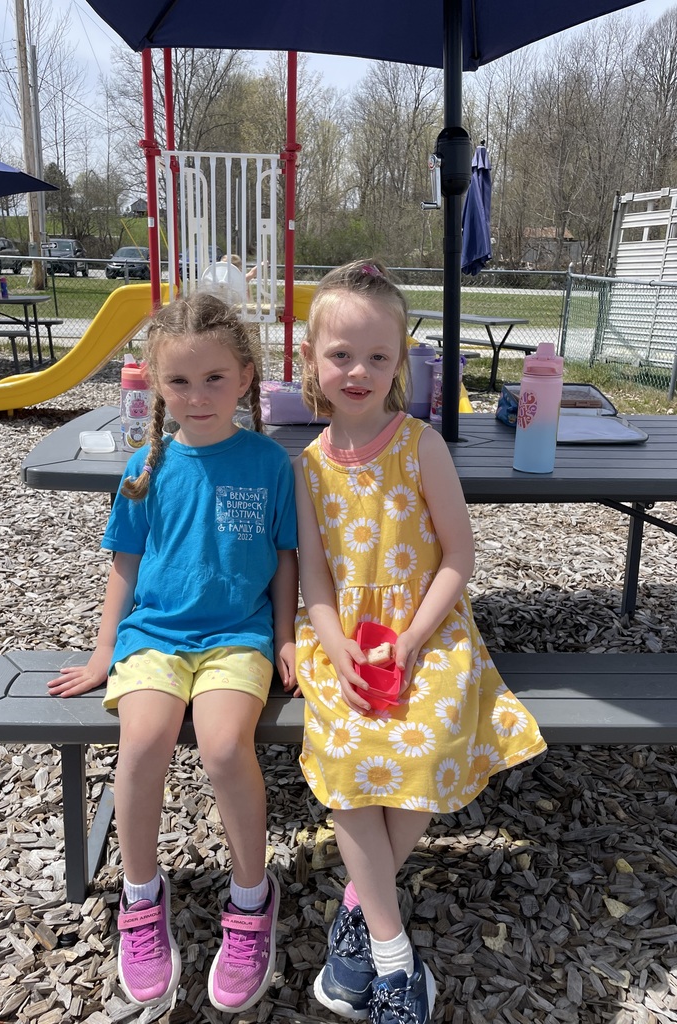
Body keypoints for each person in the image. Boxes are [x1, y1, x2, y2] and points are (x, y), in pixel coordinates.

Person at [294, 259, 546, 1024]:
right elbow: (315, 582)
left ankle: (355, 915)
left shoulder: (420, 446)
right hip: (340, 637)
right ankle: (396, 958)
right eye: (341, 355)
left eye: (377, 356)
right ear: (311, 362)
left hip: (427, 629)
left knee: (431, 742)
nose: (359, 371)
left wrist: (407, 641)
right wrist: (337, 648)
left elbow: (459, 559)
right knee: (346, 759)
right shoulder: (304, 468)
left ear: (401, 361)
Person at [47, 293, 299, 1013]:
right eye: (180, 382)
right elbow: (124, 564)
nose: (198, 396)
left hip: (236, 639)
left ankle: (252, 901)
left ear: (247, 377)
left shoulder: (269, 463)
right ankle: (140, 896)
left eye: (215, 379)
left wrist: (285, 636)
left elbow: (285, 560)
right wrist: (103, 652)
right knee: (145, 740)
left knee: (225, 750)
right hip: (155, 637)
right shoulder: (144, 466)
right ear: (156, 384)